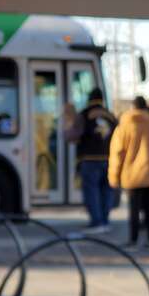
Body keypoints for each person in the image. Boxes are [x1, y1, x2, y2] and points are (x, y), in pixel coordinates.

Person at [108, 96, 149, 250]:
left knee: (133, 209)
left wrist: (113, 177)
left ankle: (133, 239)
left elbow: (117, 154)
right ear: (145, 108)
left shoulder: (122, 128)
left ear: (131, 108)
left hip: (130, 176)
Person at [64, 88, 118, 234]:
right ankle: (105, 221)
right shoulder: (111, 116)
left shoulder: (84, 114)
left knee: (91, 191)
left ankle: (96, 222)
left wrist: (68, 121)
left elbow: (72, 136)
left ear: (89, 98)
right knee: (106, 191)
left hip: (89, 159)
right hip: (110, 159)